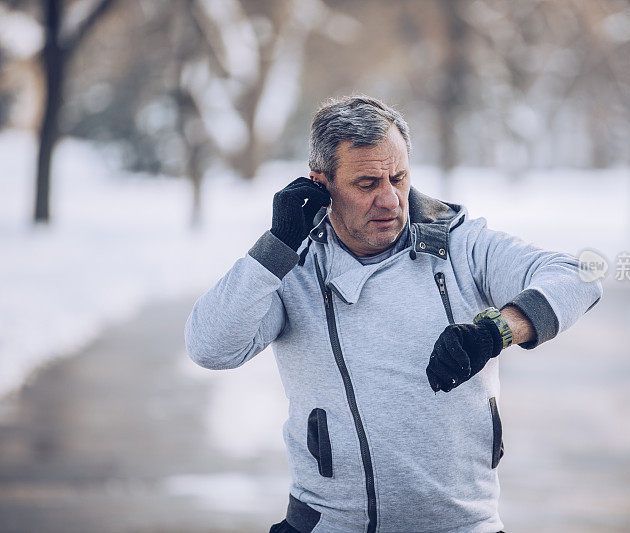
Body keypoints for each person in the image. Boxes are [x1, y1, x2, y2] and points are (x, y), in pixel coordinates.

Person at [184, 95, 603, 533]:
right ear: (321, 184)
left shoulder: (460, 245)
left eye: (398, 178)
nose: (389, 200)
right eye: (366, 184)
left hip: (465, 524)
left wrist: (496, 331)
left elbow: (580, 276)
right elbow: (210, 348)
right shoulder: (293, 265)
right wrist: (277, 245)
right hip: (327, 524)